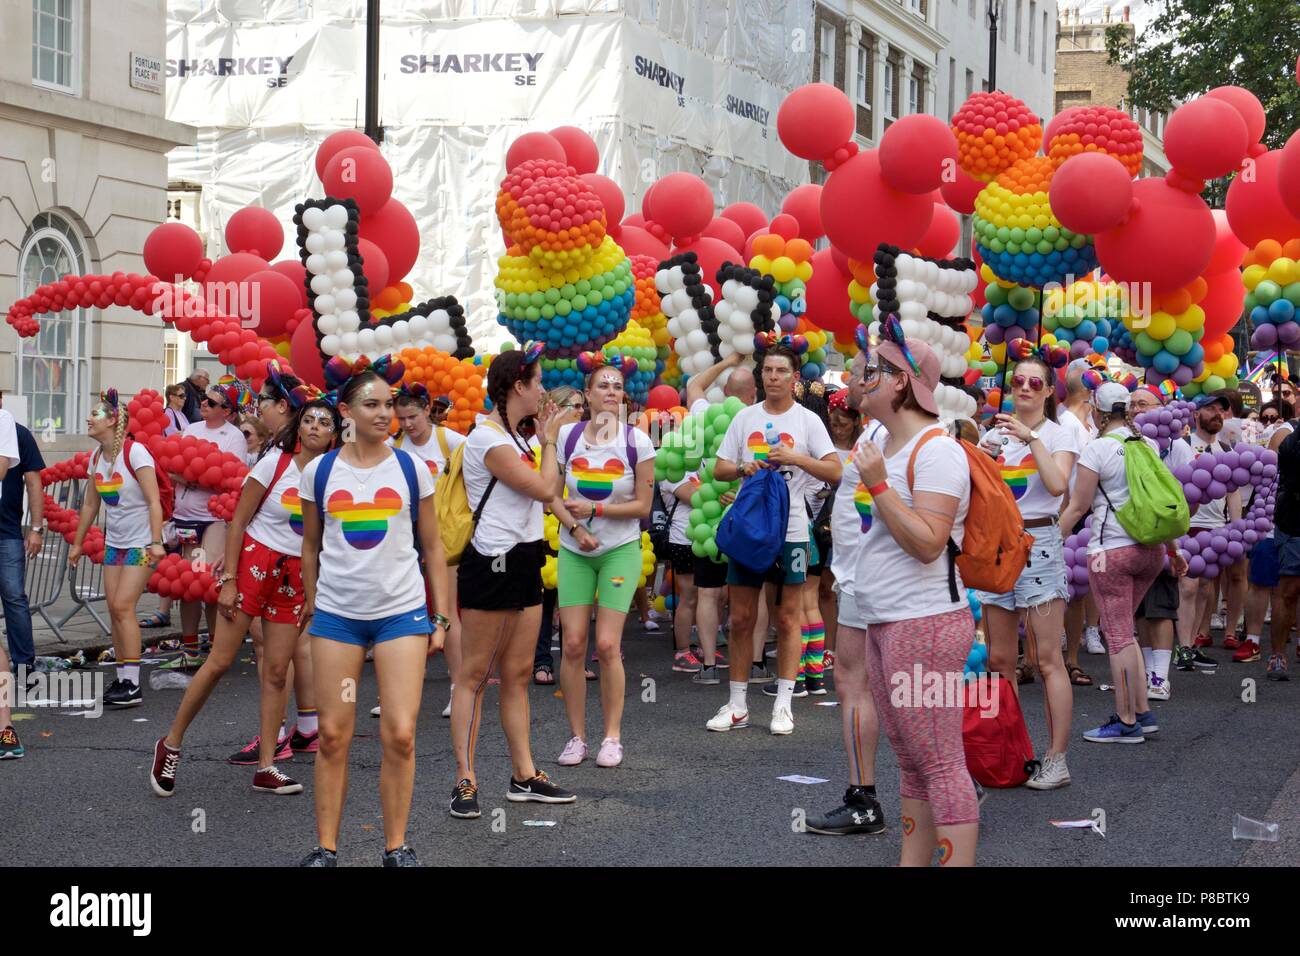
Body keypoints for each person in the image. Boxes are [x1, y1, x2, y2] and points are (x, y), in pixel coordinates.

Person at [298, 357, 450, 867]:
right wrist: (313, 596)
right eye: (373, 405)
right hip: (338, 619)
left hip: (401, 616)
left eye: (390, 404)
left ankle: (396, 846)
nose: (387, 414)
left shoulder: (411, 468)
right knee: (335, 735)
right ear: (347, 411)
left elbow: (433, 547)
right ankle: (326, 848)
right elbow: (311, 544)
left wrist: (441, 618)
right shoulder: (319, 471)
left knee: (401, 732)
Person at [151, 392, 337, 799]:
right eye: (309, 420)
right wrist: (231, 578)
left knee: (275, 671)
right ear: (298, 426)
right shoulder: (274, 464)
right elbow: (237, 523)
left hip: (294, 575)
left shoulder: (329, 476)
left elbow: (320, 540)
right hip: (254, 564)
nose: (315, 427)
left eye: (325, 423)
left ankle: (268, 766)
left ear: (334, 434)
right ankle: (171, 744)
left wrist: (314, 589)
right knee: (219, 662)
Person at [852, 323, 977, 865]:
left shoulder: (939, 451)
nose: (859, 378)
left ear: (900, 383)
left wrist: (879, 485)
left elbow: (929, 543)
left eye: (870, 370)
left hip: (925, 622)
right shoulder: (878, 440)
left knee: (941, 761)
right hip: (885, 618)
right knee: (909, 759)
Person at [449, 344, 580, 819]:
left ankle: (523, 775)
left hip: (524, 559)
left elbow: (547, 500)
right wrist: (549, 440)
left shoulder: (517, 438)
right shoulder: (488, 440)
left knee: (519, 675)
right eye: (538, 381)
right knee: (474, 675)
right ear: (518, 386)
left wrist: (575, 525)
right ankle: (464, 780)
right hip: (491, 562)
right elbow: (546, 488)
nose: (544, 390)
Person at [707, 336, 840, 737]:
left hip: (793, 531)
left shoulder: (807, 420)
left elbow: (835, 471)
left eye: (781, 371)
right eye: (768, 370)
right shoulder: (744, 419)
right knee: (743, 617)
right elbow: (719, 469)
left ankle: (783, 704)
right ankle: (736, 704)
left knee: (787, 617)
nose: (774, 377)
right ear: (761, 376)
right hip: (750, 530)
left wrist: (795, 458)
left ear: (795, 378)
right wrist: (743, 468)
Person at [976, 348, 1078, 790]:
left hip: (1038, 543)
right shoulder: (996, 434)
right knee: (1000, 659)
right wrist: (978, 455)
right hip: (997, 546)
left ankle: (1057, 759)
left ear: (1049, 390)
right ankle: (1013, 749)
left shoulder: (1060, 433)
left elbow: (1058, 487)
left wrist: (1031, 438)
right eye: (1018, 380)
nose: (1024, 387)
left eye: (1035, 382)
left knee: (1045, 658)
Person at [1059, 382, 1182, 744]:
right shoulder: (1146, 444)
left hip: (1110, 551)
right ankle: (1142, 712)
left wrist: (1047, 542)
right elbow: (1158, 499)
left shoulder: (1096, 449)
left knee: (1118, 637)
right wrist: (1174, 550)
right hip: (1151, 550)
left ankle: (1126, 720)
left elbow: (1078, 507)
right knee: (1125, 631)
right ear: (1127, 410)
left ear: (1097, 412)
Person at [551, 355, 656, 768]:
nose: (611, 392)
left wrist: (596, 515)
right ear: (588, 395)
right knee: (573, 644)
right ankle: (577, 736)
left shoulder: (637, 441)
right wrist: (577, 530)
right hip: (575, 550)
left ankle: (612, 737)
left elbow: (644, 505)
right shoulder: (568, 438)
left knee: (608, 644)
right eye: (603, 386)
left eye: (617, 387)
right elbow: (552, 495)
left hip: (619, 550)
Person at [805, 347, 886, 836]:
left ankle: (869, 800)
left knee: (876, 688)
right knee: (861, 685)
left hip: (876, 583)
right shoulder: (876, 433)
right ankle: (865, 797)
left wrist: (858, 573)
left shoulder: (889, 437)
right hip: (861, 578)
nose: (849, 381)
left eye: (857, 373)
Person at [68, 390, 166, 707]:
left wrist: (156, 541)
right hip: (116, 544)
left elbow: (154, 500)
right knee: (114, 610)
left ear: (112, 420)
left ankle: (133, 685)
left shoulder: (135, 453)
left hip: (141, 544)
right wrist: (78, 543)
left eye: (94, 414)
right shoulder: (97, 457)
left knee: (124, 607)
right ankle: (124, 678)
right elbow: (90, 505)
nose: (88, 418)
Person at [391, 382, 466, 717]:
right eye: (402, 418)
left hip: (444, 535)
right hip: (406, 536)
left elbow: (477, 476)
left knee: (447, 612)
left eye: (413, 416)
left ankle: (458, 688)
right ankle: (403, 689)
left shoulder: (449, 440)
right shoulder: (394, 446)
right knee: (406, 610)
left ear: (427, 411)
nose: (408, 424)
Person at [166, 382, 247, 669]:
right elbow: (171, 467)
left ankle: (217, 649)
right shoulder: (191, 430)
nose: (203, 404)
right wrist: (185, 478)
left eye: (211, 403)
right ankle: (190, 648)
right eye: (203, 399)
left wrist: (196, 478)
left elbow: (232, 479)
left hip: (213, 518)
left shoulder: (234, 437)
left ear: (226, 411)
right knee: (188, 584)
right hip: (186, 514)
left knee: (209, 583)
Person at [1128, 385, 1194, 701]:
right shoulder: (1126, 442)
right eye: (1132, 405)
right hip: (1129, 534)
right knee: (1140, 611)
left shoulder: (1177, 446)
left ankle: (1160, 677)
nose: (1137, 410)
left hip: (1162, 536)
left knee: (1161, 609)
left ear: (1160, 407)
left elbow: (1185, 494)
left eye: (1143, 404)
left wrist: (1174, 544)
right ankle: (1147, 673)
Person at [1176, 394, 1239, 669]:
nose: (1216, 413)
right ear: (1196, 414)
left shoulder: (1228, 449)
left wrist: (1234, 527)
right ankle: (1183, 648)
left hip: (1216, 527)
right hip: (1186, 525)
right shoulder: (1181, 445)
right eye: (1209, 408)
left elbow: (1233, 493)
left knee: (1203, 588)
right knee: (1187, 586)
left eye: (1220, 409)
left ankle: (1193, 642)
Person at [533, 386, 589, 686]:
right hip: (544, 528)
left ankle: (575, 662)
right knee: (544, 600)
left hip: (573, 525)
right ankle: (541, 661)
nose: (581, 411)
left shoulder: (585, 441)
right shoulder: (539, 440)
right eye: (574, 406)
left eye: (582, 406)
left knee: (574, 599)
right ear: (555, 408)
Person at [0, 393, 46, 678]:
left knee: (14, 597)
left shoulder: (17, 433)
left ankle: (24, 664)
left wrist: (36, 528)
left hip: (6, 531)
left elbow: (33, 482)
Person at [820, 387, 864, 672]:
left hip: (852, 525)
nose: (837, 428)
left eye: (843, 423)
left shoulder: (865, 448)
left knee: (849, 587)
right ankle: (828, 647)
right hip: (823, 522)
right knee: (824, 587)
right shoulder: (821, 446)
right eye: (833, 422)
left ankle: (852, 649)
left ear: (855, 422)